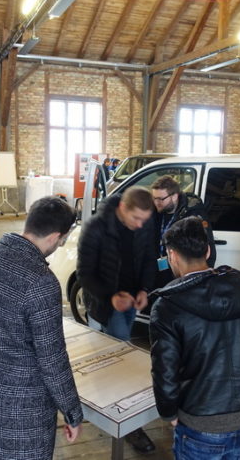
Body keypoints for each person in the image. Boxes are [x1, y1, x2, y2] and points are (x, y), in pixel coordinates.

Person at [149, 217, 240, 460]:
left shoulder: (167, 306)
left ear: (172, 255)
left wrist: (168, 413)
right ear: (208, 251)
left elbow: (165, 372)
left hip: (199, 422)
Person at [0, 196, 83, 460]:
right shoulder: (42, 282)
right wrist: (72, 412)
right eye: (62, 241)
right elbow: (52, 360)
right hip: (26, 408)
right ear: (56, 237)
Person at [76, 186, 158, 453]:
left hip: (132, 298)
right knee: (120, 354)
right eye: (136, 219)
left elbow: (149, 258)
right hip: (107, 303)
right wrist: (110, 297)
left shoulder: (144, 222)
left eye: (144, 220)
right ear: (123, 208)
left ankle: (112, 403)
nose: (140, 225)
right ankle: (126, 423)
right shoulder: (96, 227)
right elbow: (85, 273)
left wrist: (145, 289)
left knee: (119, 353)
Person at [150, 175, 216, 288]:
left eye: (161, 199)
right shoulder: (155, 213)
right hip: (160, 275)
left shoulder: (193, 215)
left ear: (174, 196)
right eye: (154, 198)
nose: (157, 202)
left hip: (183, 280)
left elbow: (207, 251)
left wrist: (197, 285)